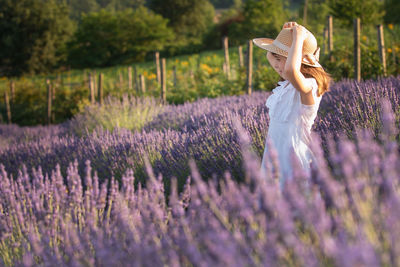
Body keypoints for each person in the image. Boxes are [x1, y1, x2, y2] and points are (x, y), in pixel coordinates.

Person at [253, 21, 332, 192]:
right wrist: (284, 36)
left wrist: (298, 39)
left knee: (295, 205)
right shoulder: (288, 85)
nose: (276, 65)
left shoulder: (310, 86)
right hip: (275, 154)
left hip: (293, 156)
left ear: (298, 61)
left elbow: (290, 70)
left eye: (281, 59)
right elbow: (271, 56)